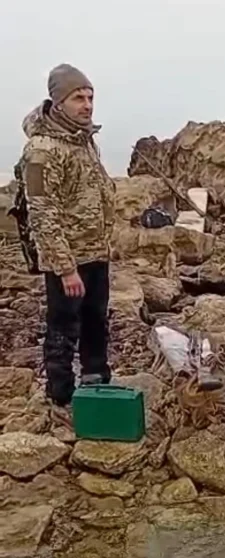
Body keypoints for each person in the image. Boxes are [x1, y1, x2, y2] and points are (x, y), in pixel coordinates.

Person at [17, 63, 115, 424]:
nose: (87, 105)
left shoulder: (84, 141)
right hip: (67, 260)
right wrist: (66, 268)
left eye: (90, 97)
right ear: (58, 102)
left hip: (96, 252)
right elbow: (43, 214)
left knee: (96, 320)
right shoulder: (42, 150)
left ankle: (96, 382)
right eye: (78, 98)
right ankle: (59, 395)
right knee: (63, 327)